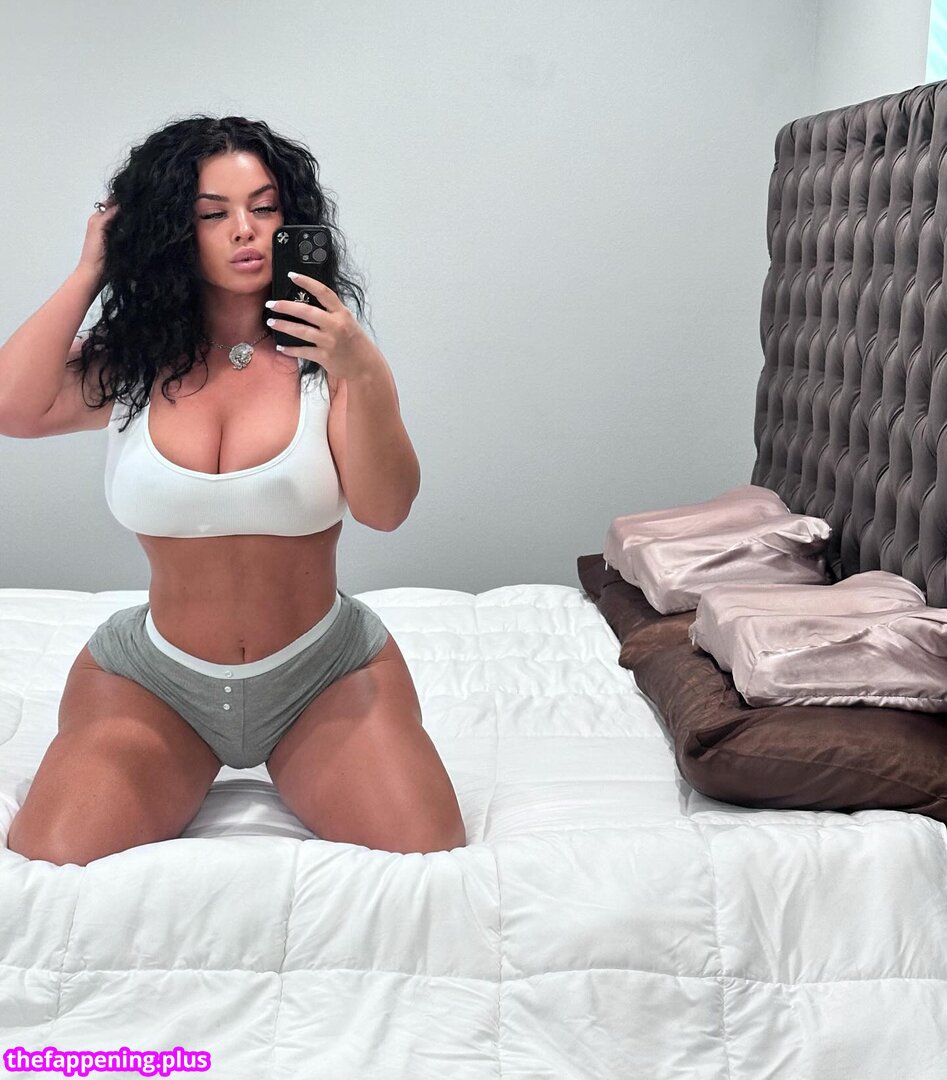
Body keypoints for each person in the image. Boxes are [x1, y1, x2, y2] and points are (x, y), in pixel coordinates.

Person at [1, 115, 466, 865]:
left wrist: (362, 368)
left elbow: (385, 510)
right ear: (170, 233)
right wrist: (92, 268)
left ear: (292, 219)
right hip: (156, 683)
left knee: (427, 853)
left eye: (264, 207)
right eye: (212, 214)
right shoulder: (133, 365)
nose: (245, 230)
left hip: (322, 675)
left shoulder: (330, 361)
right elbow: (12, 408)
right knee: (52, 859)